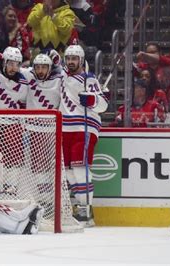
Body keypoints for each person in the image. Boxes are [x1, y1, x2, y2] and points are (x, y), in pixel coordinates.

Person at [60, 45, 108, 226]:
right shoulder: (62, 75)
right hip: (65, 129)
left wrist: (93, 100)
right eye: (69, 58)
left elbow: (103, 104)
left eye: (75, 58)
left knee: (80, 169)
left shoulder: (89, 79)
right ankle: (81, 208)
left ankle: (86, 211)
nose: (71, 62)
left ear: (81, 60)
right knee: (68, 171)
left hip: (83, 127)